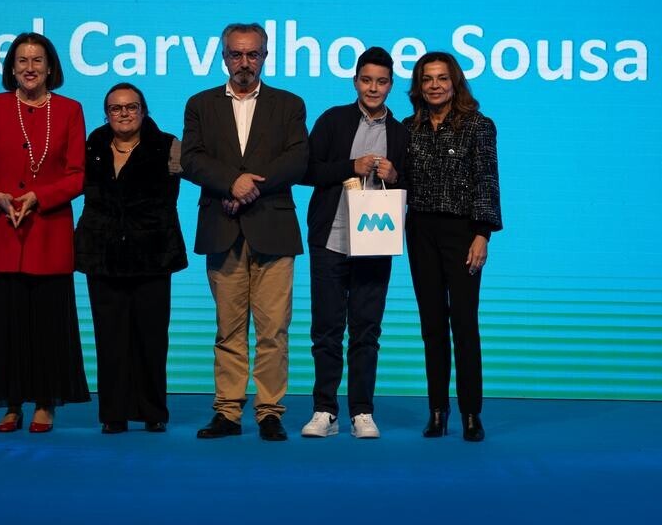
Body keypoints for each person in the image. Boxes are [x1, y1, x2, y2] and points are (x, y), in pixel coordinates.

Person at [181, 22, 309, 442]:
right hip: (222, 227)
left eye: (252, 54)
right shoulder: (200, 104)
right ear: (223, 57)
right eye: (236, 54)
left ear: (265, 57)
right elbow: (192, 159)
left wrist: (249, 186)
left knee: (273, 331)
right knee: (229, 329)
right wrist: (229, 183)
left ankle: (270, 411)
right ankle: (228, 411)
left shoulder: (289, 104)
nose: (244, 62)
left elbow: (297, 159)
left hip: (273, 227)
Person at [0, 32, 90, 433]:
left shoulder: (70, 110)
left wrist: (40, 197)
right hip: (4, 230)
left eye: (37, 60)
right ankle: (11, 403)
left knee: (48, 324)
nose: (29, 67)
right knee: (7, 324)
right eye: (21, 60)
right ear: (11, 67)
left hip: (48, 233)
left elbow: (77, 175)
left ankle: (44, 402)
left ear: (51, 67)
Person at [300, 46, 408, 439]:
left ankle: (362, 411)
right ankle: (324, 411)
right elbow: (306, 171)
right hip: (331, 239)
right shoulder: (333, 120)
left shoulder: (402, 132)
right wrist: (351, 167)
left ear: (391, 85)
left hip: (376, 242)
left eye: (381, 82)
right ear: (355, 81)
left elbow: (415, 185)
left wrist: (395, 175)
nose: (373, 88)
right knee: (326, 329)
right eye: (366, 80)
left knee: (366, 330)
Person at [74, 83, 187, 434]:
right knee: (110, 338)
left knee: (151, 338)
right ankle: (114, 413)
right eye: (116, 108)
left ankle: (153, 411)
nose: (123, 113)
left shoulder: (168, 145)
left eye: (131, 106)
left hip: (152, 255)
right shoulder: (92, 144)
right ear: (106, 113)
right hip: (102, 255)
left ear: (144, 110)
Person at [403, 51, 502, 442]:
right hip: (420, 231)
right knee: (431, 325)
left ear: (455, 82)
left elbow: (486, 180)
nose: (434, 85)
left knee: (464, 323)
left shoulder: (479, 125)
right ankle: (437, 411)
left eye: (442, 78)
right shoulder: (409, 127)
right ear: (419, 85)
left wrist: (482, 234)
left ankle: (471, 413)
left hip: (463, 233)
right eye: (427, 79)